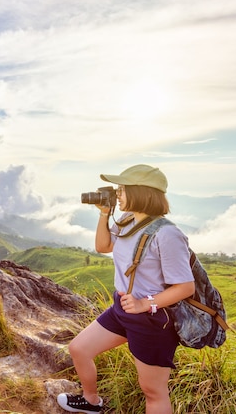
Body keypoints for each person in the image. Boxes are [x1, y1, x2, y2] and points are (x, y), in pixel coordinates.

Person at [57, 164, 195, 414]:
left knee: (153, 392)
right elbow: (103, 246)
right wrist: (104, 214)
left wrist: (145, 303)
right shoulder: (126, 219)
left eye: (122, 189)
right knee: (79, 349)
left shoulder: (167, 234)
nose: (117, 193)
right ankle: (91, 402)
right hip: (123, 308)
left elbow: (185, 287)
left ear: (141, 192)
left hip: (152, 320)